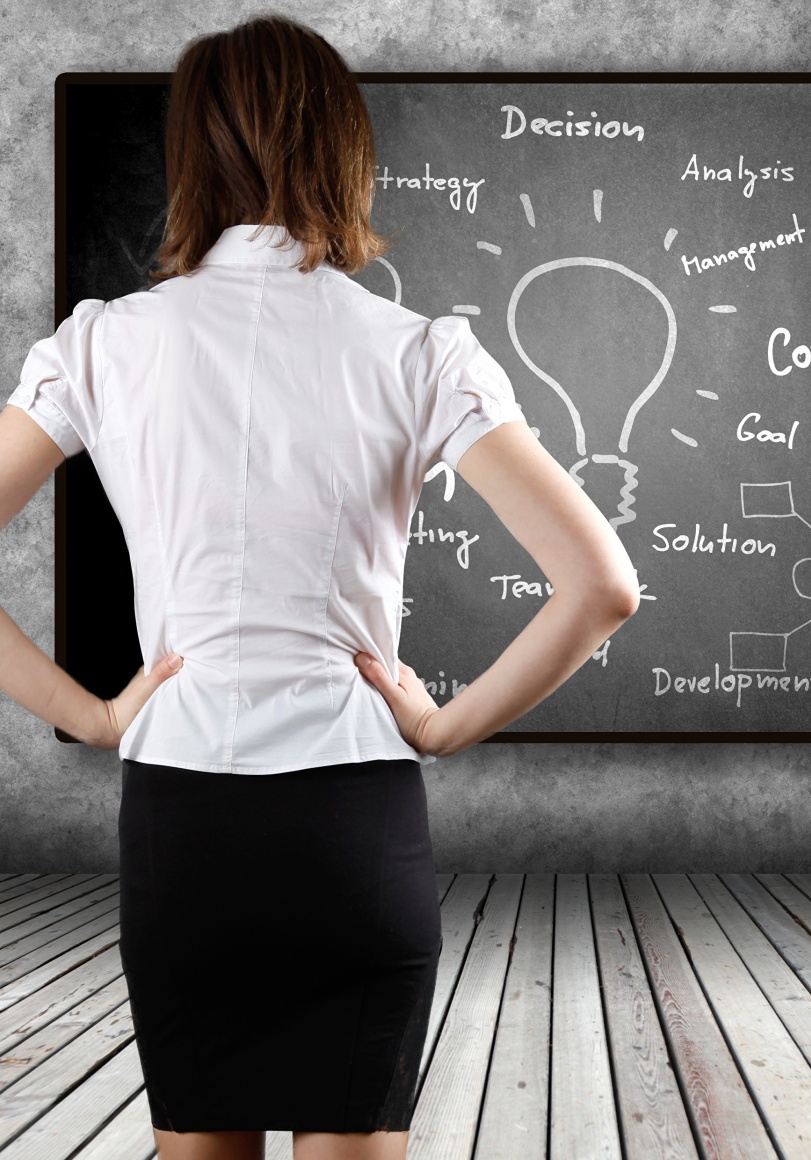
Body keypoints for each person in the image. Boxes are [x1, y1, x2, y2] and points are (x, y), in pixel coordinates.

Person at [0, 14, 639, 1160]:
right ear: (344, 147)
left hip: (184, 823)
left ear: (189, 154)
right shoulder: (419, 351)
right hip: (354, 822)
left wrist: (91, 714)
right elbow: (599, 584)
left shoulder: (102, 344)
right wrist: (440, 727)